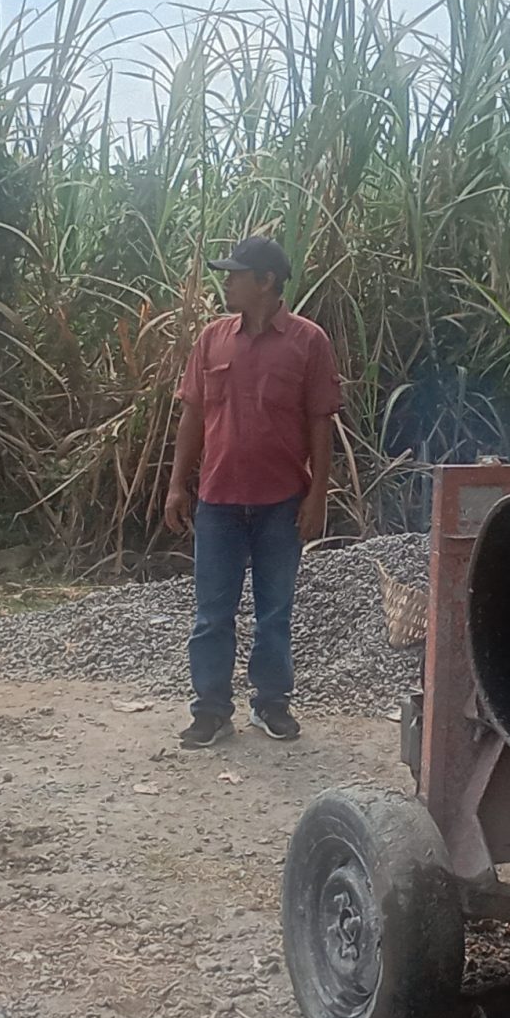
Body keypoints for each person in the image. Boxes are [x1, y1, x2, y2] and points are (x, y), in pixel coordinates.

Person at [163, 235, 342, 748]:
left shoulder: (309, 342)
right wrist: (178, 485)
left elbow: (320, 422)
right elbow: (193, 414)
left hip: (281, 502)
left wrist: (318, 497)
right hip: (218, 500)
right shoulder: (213, 339)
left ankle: (271, 705)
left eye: (236, 273)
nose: (227, 281)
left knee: (274, 612)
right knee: (212, 613)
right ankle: (212, 710)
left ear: (266, 282)